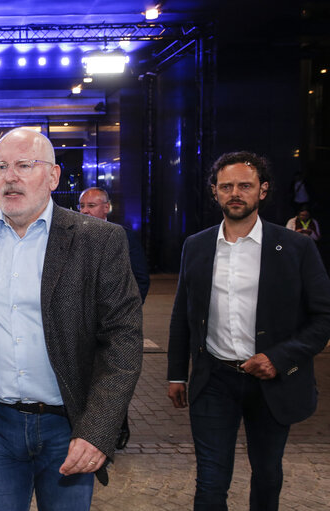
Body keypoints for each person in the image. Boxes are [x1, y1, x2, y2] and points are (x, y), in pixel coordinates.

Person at [0, 128, 143, 510]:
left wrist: (98, 429)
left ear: (54, 176)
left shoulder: (98, 241)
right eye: (1, 167)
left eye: (25, 165)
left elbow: (123, 342)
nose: (10, 176)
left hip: (69, 427)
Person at [167, 151, 330, 510]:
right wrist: (177, 374)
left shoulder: (296, 247)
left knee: (268, 473)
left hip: (273, 381)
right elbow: (182, 314)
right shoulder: (196, 246)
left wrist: (278, 358)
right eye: (226, 186)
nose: (235, 193)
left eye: (245, 185)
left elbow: (323, 318)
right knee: (210, 480)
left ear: (263, 190)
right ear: (215, 192)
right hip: (214, 380)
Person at [78, 186, 150, 450]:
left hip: (111, 324)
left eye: (91, 205)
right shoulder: (72, 237)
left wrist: (123, 313)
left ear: (106, 208)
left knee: (112, 374)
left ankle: (117, 425)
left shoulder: (123, 237)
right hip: (81, 326)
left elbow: (141, 278)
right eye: (82, 206)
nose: (85, 210)